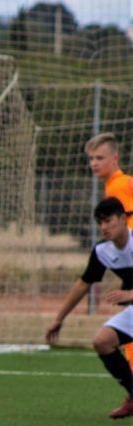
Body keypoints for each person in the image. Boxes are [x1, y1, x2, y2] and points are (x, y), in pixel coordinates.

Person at [46, 197, 133, 419]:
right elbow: (84, 283)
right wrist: (59, 318)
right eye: (100, 223)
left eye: (108, 221)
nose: (104, 227)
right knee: (102, 341)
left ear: (123, 219)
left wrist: (129, 294)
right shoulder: (103, 251)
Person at [85, 132, 133, 371]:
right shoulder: (119, 183)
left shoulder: (119, 186)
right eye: (91, 158)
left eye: (99, 157)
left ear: (115, 158)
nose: (94, 163)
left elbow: (127, 227)